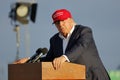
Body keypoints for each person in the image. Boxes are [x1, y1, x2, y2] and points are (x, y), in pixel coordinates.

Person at [14, 9, 111, 80]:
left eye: (63, 21)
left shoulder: (84, 31)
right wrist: (30, 60)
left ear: (71, 20)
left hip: (95, 77)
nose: (60, 24)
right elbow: (49, 60)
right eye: (57, 23)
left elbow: (81, 46)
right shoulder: (54, 40)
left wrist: (64, 57)